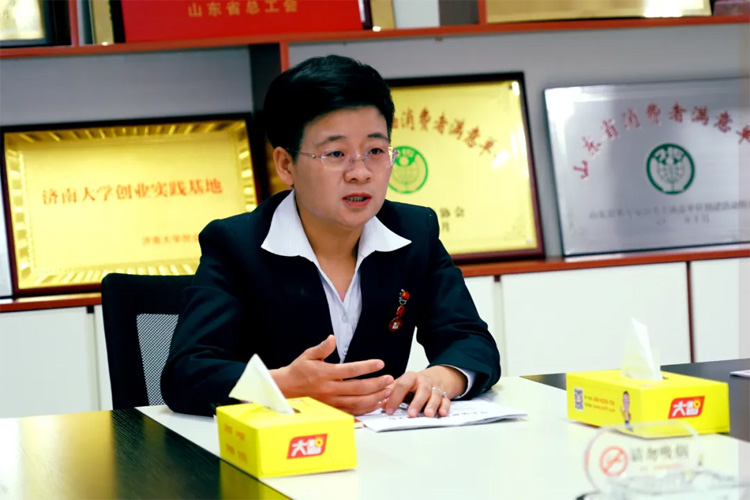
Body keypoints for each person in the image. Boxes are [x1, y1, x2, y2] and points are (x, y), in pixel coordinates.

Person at [161, 55, 501, 419]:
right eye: (336, 153)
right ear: (286, 165)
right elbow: (186, 373)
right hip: (277, 446)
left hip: (385, 442)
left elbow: (470, 340)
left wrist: (440, 378)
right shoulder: (237, 245)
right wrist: (283, 385)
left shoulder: (415, 232)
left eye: (375, 151)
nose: (360, 172)